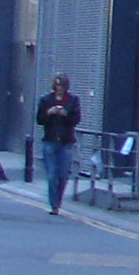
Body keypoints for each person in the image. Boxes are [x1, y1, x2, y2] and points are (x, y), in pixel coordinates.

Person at [34, 77, 80, 215]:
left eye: (62, 85)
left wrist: (65, 114)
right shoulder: (46, 100)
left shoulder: (72, 101)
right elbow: (40, 120)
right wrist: (49, 112)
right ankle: (54, 205)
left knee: (63, 175)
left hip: (66, 142)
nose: (59, 88)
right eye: (57, 85)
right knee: (52, 175)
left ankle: (57, 200)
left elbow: (76, 120)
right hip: (50, 141)